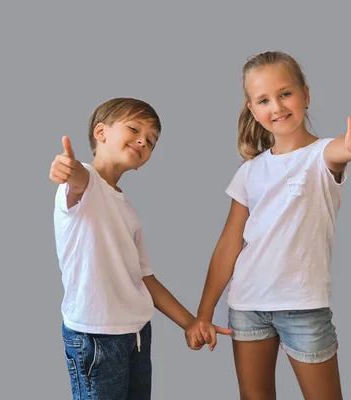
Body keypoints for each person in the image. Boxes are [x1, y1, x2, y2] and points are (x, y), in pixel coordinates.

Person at [185, 51, 351, 399]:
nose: (277, 106)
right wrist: (204, 311)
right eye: (264, 100)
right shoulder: (248, 172)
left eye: (285, 93)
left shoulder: (320, 156)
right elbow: (229, 244)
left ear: (305, 94)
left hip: (303, 307)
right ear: (252, 110)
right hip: (246, 305)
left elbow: (340, 151)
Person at [50, 97, 229, 399]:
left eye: (151, 140)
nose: (143, 141)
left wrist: (191, 323)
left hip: (135, 335)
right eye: (134, 129)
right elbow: (78, 181)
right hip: (96, 338)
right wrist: (67, 170)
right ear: (101, 132)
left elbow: (145, 278)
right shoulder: (85, 181)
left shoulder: (127, 211)